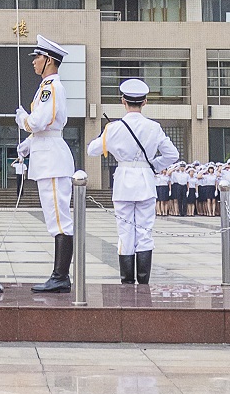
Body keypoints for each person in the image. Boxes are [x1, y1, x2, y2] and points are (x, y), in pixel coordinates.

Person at [90, 77, 180, 286]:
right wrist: (153, 166)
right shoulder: (153, 127)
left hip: (123, 183)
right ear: (145, 102)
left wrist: (106, 135)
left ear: (123, 101)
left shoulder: (114, 128)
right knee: (145, 231)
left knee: (125, 232)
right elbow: (172, 154)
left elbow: (91, 149)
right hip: (146, 183)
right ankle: (143, 282)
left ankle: (127, 282)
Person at [17, 36, 78, 294]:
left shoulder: (49, 87)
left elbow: (40, 121)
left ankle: (60, 276)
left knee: (59, 220)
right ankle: (58, 275)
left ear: (49, 60)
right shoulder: (48, 86)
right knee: (55, 218)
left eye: (37, 57)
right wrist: (29, 143)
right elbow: (45, 127)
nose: (34, 61)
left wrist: (23, 120)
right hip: (47, 155)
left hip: (52, 161)